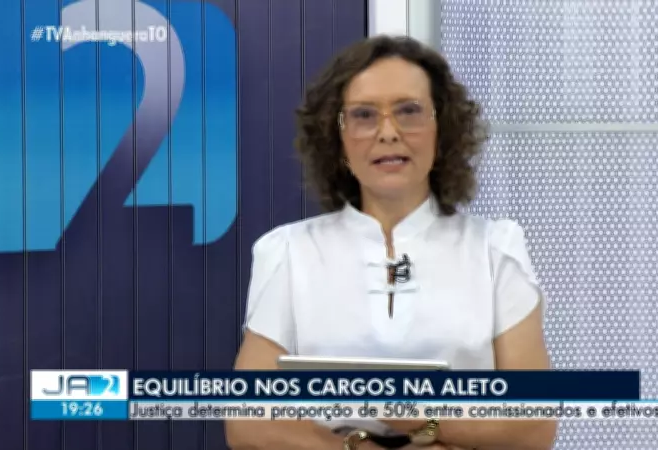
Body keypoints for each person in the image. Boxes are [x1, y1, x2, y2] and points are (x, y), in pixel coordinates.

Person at [225, 35, 557, 450]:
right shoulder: (288, 251)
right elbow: (249, 421)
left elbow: (534, 424)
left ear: (442, 130)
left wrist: (425, 422)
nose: (388, 132)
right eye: (364, 115)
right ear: (337, 139)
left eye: (409, 111)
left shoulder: (495, 248)